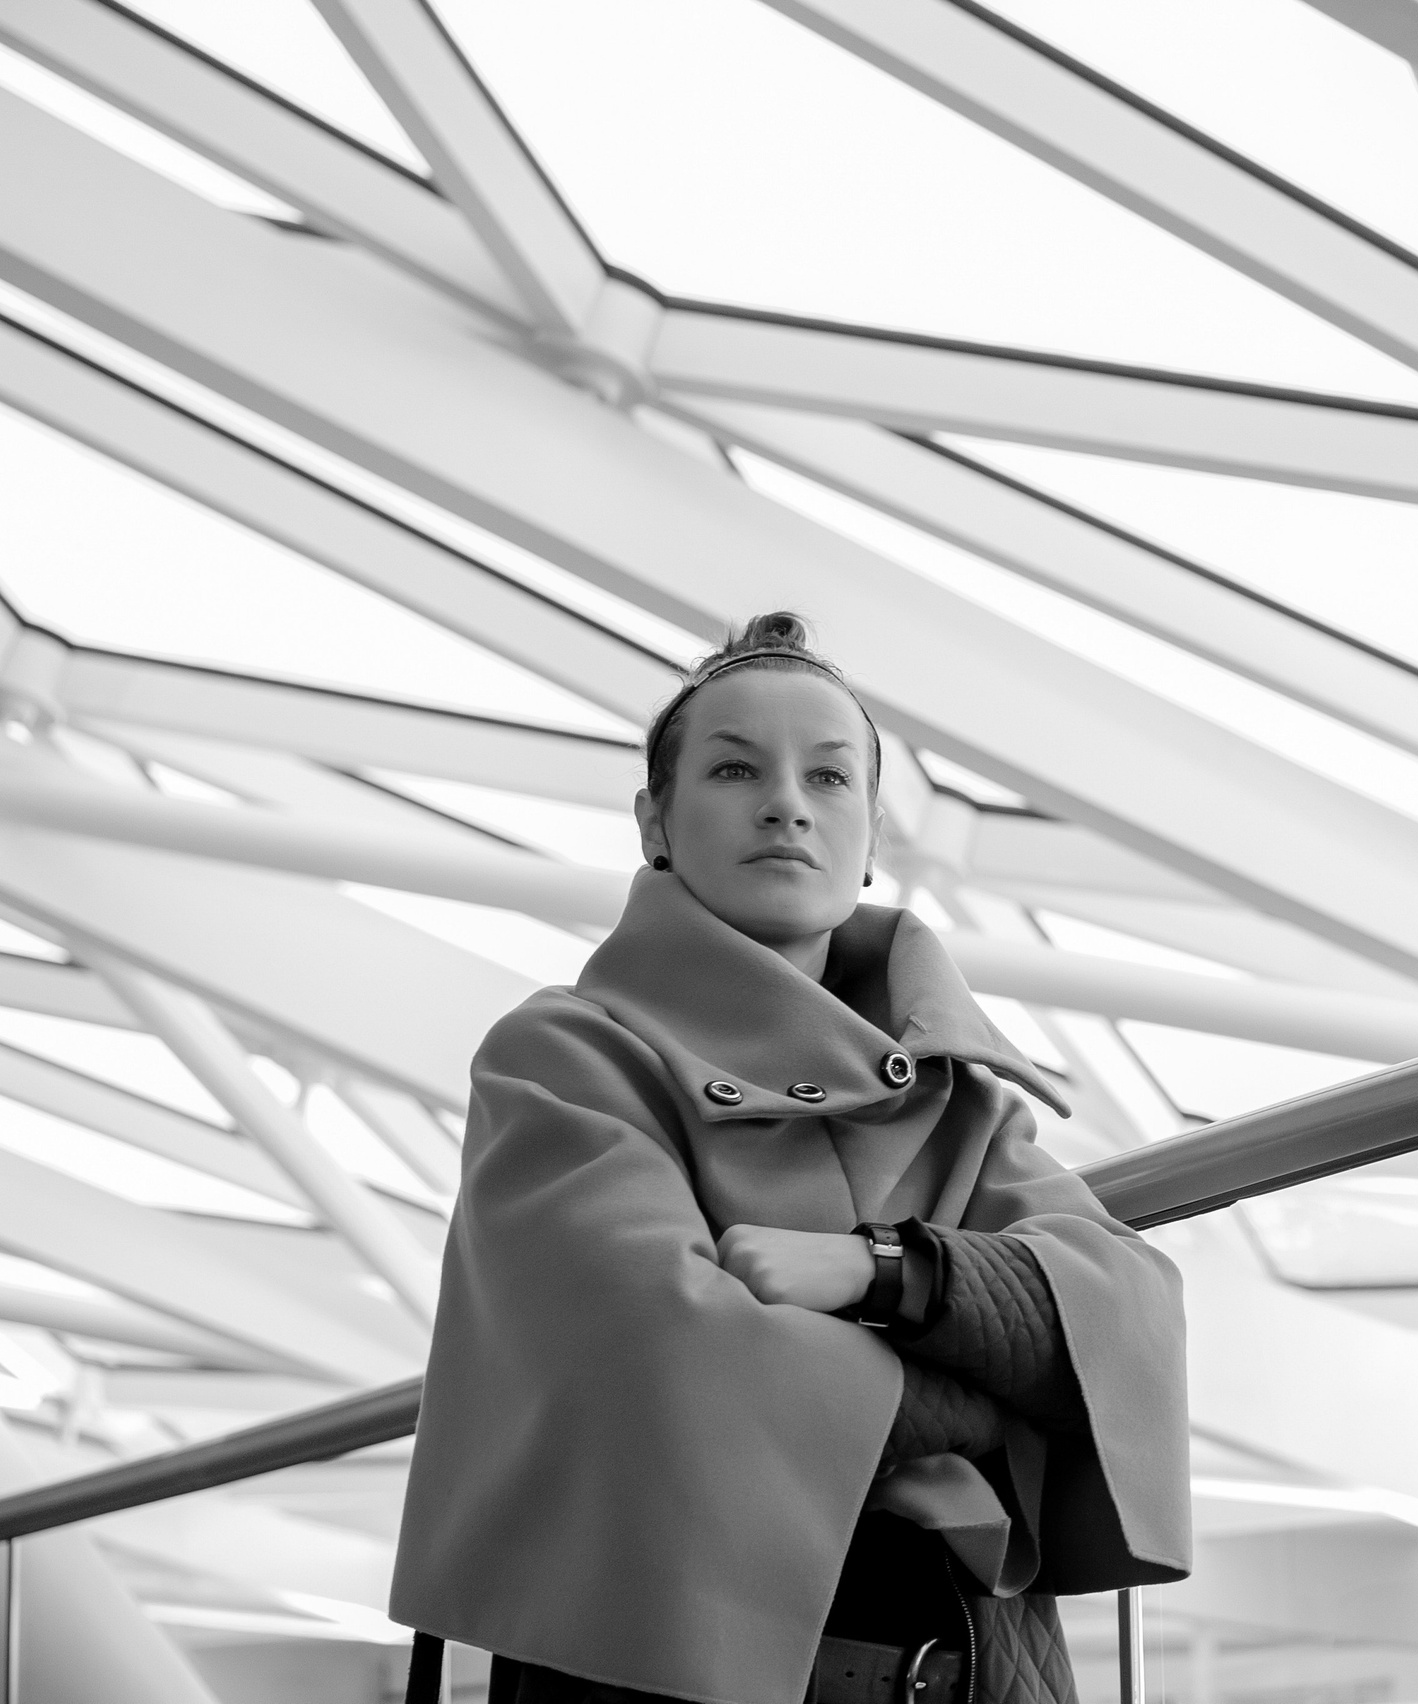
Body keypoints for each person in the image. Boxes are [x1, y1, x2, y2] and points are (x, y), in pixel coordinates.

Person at [389, 613, 1190, 1704]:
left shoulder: (958, 1093)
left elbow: (1130, 1318)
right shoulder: (563, 1058)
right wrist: (994, 1396)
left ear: (871, 841)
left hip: (975, 1670)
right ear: (653, 822)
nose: (786, 804)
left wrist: (882, 1272)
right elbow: (661, 1365)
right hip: (656, 1673)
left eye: (830, 778)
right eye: (733, 768)